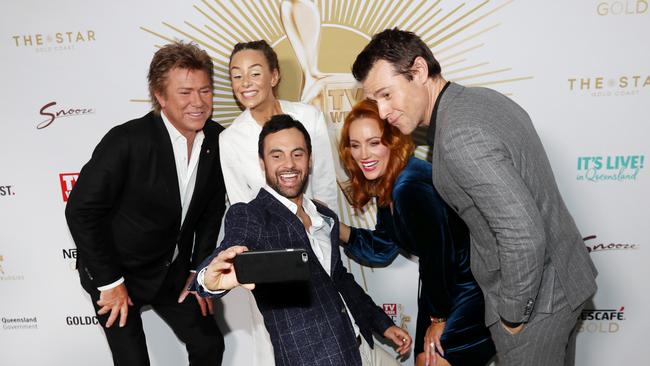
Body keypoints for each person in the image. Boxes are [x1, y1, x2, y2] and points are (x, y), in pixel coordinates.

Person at [351, 29, 597, 366]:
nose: (382, 111)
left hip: (538, 304)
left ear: (419, 71)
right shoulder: (478, 101)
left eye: (386, 94)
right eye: (375, 100)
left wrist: (513, 315)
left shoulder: (459, 136)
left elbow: (521, 233)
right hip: (560, 287)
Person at [195, 115, 412, 366]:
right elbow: (228, 248)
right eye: (277, 156)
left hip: (362, 348)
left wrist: (382, 324)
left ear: (309, 161)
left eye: (297, 154)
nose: (289, 164)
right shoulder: (251, 215)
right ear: (262, 163)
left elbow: (339, 280)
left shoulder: (324, 216)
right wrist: (207, 279)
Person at [65, 42, 226, 366]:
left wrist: (198, 269)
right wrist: (110, 283)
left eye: (205, 90)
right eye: (185, 92)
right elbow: (81, 210)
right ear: (160, 96)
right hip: (116, 271)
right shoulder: (127, 140)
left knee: (209, 344)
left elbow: (211, 210)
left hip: (172, 273)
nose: (198, 102)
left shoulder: (218, 140)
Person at [337, 100, 495, 366]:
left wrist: (439, 319)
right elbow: (384, 246)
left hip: (470, 287)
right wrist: (333, 225)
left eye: (374, 142)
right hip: (441, 291)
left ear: (393, 140)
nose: (363, 154)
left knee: (433, 361)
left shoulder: (408, 186)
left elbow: (439, 254)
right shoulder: (392, 181)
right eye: (355, 145)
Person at [218, 39, 338, 366]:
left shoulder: (308, 117)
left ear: (274, 76)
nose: (245, 83)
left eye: (254, 73)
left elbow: (325, 186)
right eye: (236, 75)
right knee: (285, 345)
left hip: (319, 243)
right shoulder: (229, 140)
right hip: (275, 263)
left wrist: (325, 237)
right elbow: (241, 212)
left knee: (336, 333)